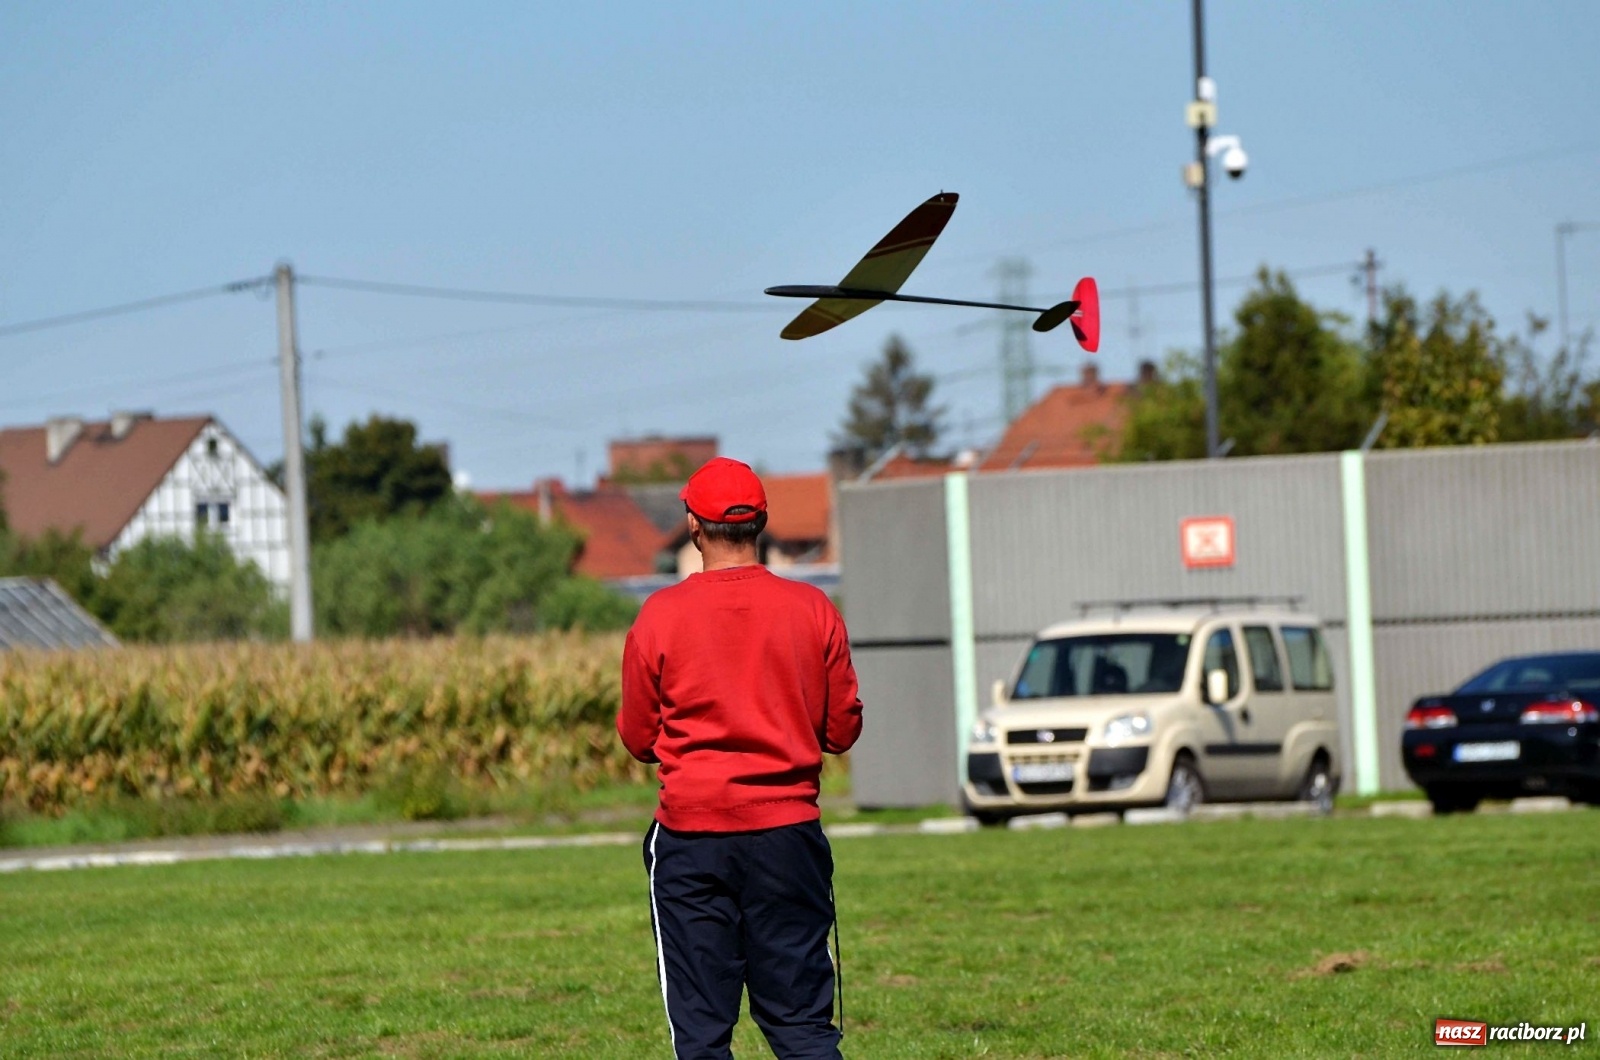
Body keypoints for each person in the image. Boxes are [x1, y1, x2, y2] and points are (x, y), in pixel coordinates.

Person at [618, 456, 864, 1060]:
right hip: (789, 837)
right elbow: (842, 730)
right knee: (803, 1026)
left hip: (691, 838)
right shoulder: (814, 610)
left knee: (702, 1035)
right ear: (763, 524)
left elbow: (638, 737)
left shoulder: (659, 617)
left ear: (694, 527)